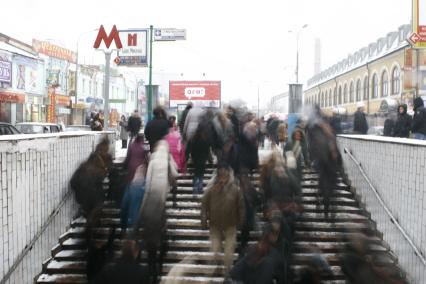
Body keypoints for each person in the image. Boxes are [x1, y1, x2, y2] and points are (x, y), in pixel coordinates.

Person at [136, 140, 178, 283]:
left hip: (153, 190)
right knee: (160, 214)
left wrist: (146, 194)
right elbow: (174, 173)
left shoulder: (153, 160)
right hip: (163, 192)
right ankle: (162, 231)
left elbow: (148, 180)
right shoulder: (167, 158)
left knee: (152, 215)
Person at [201, 165, 245, 276]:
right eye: (221, 175)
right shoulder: (211, 189)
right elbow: (204, 204)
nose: (223, 178)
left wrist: (241, 221)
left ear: (228, 176)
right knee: (215, 250)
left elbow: (241, 206)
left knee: (228, 253)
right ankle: (213, 271)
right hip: (215, 225)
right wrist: (203, 219)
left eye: (225, 175)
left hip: (231, 225)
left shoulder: (235, 189)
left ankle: (227, 273)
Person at [120, 165, 146, 231]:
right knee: (132, 208)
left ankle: (128, 230)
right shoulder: (141, 167)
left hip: (136, 186)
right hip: (132, 185)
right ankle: (129, 229)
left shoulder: (141, 167)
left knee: (133, 209)